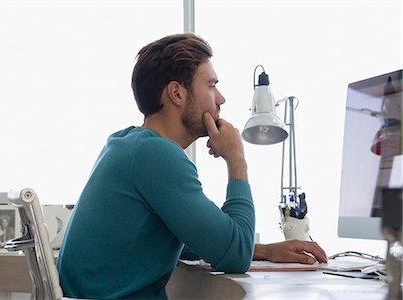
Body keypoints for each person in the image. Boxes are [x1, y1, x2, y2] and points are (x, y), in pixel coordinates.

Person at [57, 33, 327, 299]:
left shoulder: (127, 144)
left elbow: (187, 240)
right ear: (176, 93)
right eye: (211, 86)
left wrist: (265, 250)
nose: (221, 99)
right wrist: (237, 160)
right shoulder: (156, 155)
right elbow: (235, 256)